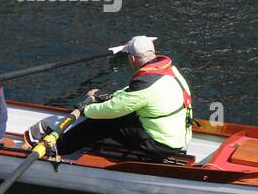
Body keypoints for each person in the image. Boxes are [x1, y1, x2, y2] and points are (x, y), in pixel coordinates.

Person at [40, 36, 192, 159]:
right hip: (180, 137)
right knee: (121, 113)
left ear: (132, 59)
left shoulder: (144, 84)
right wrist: (106, 97)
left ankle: (57, 148)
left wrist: (86, 109)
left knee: (102, 122)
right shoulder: (168, 68)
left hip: (161, 145)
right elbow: (130, 94)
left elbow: (112, 109)